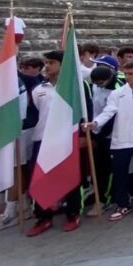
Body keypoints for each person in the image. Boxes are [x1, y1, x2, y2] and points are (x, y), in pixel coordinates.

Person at [24, 51, 88, 236]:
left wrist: (84, 134)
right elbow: (33, 114)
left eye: (51, 62)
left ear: (62, 65)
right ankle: (43, 217)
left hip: (67, 138)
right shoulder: (38, 89)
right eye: (46, 63)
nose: (47, 66)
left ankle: (73, 214)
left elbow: (86, 110)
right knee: (40, 179)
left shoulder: (77, 86)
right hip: (42, 140)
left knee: (71, 178)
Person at [85, 60, 133, 221]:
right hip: (121, 140)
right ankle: (122, 203)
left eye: (131, 74)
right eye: (126, 74)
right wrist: (95, 123)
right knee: (119, 173)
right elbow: (108, 112)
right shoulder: (117, 93)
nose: (128, 77)